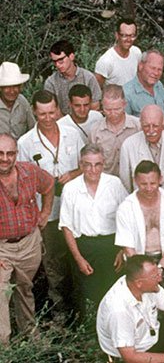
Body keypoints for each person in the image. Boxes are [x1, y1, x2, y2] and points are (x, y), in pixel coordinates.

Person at [18, 90, 84, 316]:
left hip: (76, 210)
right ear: (34, 112)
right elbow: (21, 181)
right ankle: (60, 314)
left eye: (51, 112)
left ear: (58, 110)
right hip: (48, 213)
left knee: (78, 260)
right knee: (53, 265)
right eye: (42, 113)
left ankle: (82, 311)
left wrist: (73, 174)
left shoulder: (72, 134)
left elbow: (85, 165)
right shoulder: (26, 142)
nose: (47, 118)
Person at [59, 144, 128, 313]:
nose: (93, 169)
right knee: (87, 296)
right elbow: (67, 227)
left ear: (103, 164)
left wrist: (122, 251)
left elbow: (127, 218)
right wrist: (78, 258)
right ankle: (89, 335)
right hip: (85, 247)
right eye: (88, 164)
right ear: (81, 165)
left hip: (112, 246)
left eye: (97, 164)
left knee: (114, 295)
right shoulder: (70, 189)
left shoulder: (115, 184)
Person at [0, 133, 53, 344]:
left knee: (24, 289)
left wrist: (45, 212)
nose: (4, 158)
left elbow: (49, 185)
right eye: (0, 153)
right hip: (2, 248)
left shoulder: (29, 172)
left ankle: (30, 337)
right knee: (1, 292)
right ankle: (3, 347)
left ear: (16, 154)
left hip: (29, 242)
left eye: (9, 153)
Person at [115, 161, 164, 293]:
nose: (148, 188)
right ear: (135, 181)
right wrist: (143, 272)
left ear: (160, 179)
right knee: (141, 303)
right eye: (143, 184)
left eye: (153, 183)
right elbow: (127, 246)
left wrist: (160, 268)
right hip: (138, 262)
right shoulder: (126, 207)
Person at [119, 104, 164, 194]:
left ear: (163, 124)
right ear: (140, 124)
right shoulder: (128, 145)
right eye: (146, 126)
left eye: (155, 126)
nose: (151, 131)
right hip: (141, 203)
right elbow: (125, 184)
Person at [89, 84, 141, 176]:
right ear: (102, 106)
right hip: (107, 182)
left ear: (124, 104)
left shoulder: (138, 126)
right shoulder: (95, 130)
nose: (113, 114)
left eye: (117, 109)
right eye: (108, 109)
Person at [44, 40, 101, 114]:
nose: (57, 65)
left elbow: (95, 106)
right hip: (62, 122)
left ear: (71, 56)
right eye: (55, 62)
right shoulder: (51, 82)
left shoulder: (88, 78)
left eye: (61, 60)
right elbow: (52, 110)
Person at [123, 50, 164, 126]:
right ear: (140, 66)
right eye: (152, 68)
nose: (156, 73)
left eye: (159, 69)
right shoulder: (126, 93)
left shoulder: (159, 85)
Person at [94, 17, 141, 87]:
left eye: (132, 35)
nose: (128, 39)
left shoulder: (136, 52)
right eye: (124, 35)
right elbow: (96, 90)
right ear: (117, 35)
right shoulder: (105, 61)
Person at [0, 62, 35, 139]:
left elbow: (33, 129)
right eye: (7, 87)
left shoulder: (22, 101)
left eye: (15, 86)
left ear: (20, 87)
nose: (12, 91)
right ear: (1, 88)